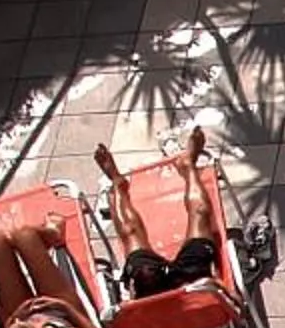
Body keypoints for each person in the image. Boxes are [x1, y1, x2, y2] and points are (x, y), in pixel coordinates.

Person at [94, 127, 227, 298]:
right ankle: (188, 166)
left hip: (152, 292)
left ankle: (117, 182)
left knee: (130, 234)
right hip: (193, 286)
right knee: (200, 213)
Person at [0, 206, 102, 328]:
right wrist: (62, 306)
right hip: (57, 309)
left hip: (19, 309)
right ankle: (52, 235)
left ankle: (12, 240)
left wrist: (14, 318)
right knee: (24, 234)